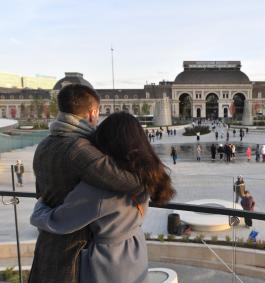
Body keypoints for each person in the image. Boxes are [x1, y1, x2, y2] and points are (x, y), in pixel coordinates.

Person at [31, 112, 175, 283]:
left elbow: (60, 222)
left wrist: (39, 209)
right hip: (135, 249)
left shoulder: (99, 188)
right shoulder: (145, 175)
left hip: (109, 260)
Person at [29, 84, 145, 283]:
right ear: (93, 113)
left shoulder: (44, 145)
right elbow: (130, 182)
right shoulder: (80, 149)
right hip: (74, 253)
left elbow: (41, 193)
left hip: (47, 243)